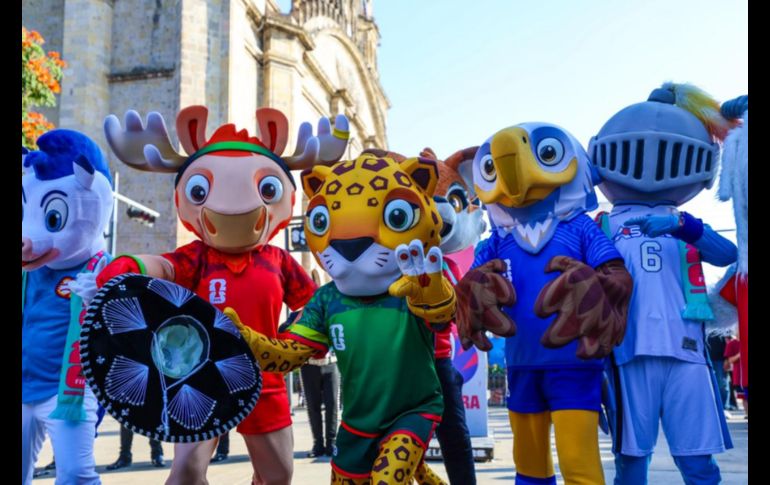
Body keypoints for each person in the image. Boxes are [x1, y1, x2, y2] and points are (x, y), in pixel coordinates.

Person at [300, 351, 339, 457]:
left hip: (331, 363)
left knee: (332, 405)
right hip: (309, 365)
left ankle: (331, 443)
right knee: (313, 406)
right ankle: (318, 445)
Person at [707, 333, 731, 409]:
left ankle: (724, 407)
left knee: (723, 384)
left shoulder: (723, 325)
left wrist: (727, 359)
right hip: (706, 359)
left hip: (721, 360)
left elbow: (729, 342)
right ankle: (713, 407)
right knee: (709, 384)